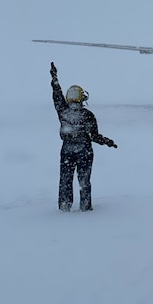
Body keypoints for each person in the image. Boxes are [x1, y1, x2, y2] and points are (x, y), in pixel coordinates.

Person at [50, 61, 117, 212]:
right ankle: (85, 207)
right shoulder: (88, 115)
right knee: (84, 180)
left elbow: (57, 97)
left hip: (67, 150)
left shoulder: (62, 111)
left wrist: (55, 79)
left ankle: (64, 205)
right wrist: (107, 142)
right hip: (84, 151)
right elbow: (94, 136)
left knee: (65, 180)